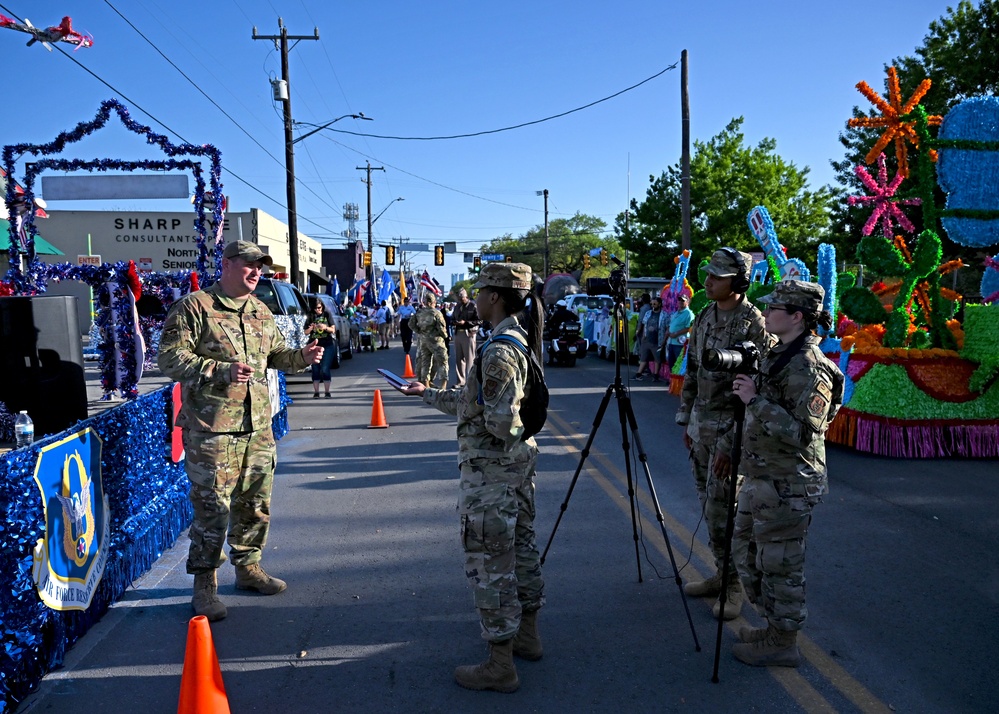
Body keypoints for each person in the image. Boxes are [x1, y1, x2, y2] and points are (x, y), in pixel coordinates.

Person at [158, 240, 324, 622]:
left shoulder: (260, 310)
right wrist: (219, 370)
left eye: (260, 268)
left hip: (258, 428)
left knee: (255, 504)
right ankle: (204, 584)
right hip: (213, 429)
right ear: (228, 264)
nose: (256, 273)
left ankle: (248, 568)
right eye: (249, 265)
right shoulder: (196, 307)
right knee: (213, 509)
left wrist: (303, 357)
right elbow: (169, 357)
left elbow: (278, 356)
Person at [402, 262, 546, 693]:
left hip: (493, 474)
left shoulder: (499, 350)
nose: (477, 296)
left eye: (482, 290)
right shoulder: (516, 339)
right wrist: (426, 394)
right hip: (515, 471)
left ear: (496, 297)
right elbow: (477, 402)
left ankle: (500, 664)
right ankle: (528, 636)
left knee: (491, 564)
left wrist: (477, 417)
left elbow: (503, 423)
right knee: (521, 549)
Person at [729, 280, 844, 667]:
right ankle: (774, 626)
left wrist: (754, 400)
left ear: (797, 317)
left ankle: (784, 641)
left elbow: (801, 433)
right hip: (762, 477)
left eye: (774, 308)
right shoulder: (778, 354)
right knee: (745, 551)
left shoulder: (810, 368)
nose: (766, 313)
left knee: (780, 564)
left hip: (788, 483)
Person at [675, 248, 770, 621]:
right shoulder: (704, 316)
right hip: (702, 428)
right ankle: (721, 572)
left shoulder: (753, 324)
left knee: (726, 512)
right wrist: (688, 420)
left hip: (732, 434)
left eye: (717, 276)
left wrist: (732, 445)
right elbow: (694, 371)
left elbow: (755, 390)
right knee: (709, 507)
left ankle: (734, 587)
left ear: (739, 282)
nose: (708, 281)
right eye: (708, 274)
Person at [409, 293, 449, 387]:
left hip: (423, 340)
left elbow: (411, 324)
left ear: (425, 302)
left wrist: (419, 331)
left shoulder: (419, 312)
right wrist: (445, 336)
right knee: (443, 361)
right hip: (435, 341)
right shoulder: (436, 313)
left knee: (425, 362)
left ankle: (426, 384)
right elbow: (442, 328)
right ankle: (443, 385)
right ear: (434, 302)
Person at [304, 300, 336, 398]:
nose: (318, 310)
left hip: (327, 344)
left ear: (322, 306)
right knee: (315, 368)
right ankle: (316, 392)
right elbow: (305, 332)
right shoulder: (310, 316)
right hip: (314, 345)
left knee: (325, 368)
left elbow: (333, 329)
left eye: (319, 308)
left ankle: (327, 391)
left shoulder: (327, 314)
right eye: (315, 308)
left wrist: (325, 327)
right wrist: (311, 328)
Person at [452, 287, 481, 388]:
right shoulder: (457, 306)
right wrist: (454, 322)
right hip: (458, 333)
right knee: (459, 359)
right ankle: (460, 381)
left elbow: (479, 320)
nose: (461, 300)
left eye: (462, 298)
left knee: (470, 359)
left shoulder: (473, 306)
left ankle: (471, 382)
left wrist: (466, 323)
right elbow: (452, 318)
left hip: (469, 334)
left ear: (466, 297)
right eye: (459, 299)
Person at [634, 296, 667, 381]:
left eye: (655, 304)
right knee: (643, 357)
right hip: (647, 339)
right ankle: (638, 374)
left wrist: (664, 340)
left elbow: (667, 328)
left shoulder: (664, 315)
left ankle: (655, 375)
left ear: (659, 304)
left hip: (658, 340)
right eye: (652, 304)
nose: (653, 305)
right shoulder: (648, 313)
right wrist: (643, 336)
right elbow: (644, 324)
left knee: (657, 359)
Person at [665, 293, 695, 369]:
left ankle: (680, 380)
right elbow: (671, 324)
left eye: (683, 301)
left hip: (680, 344)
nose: (680, 302)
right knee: (671, 363)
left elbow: (689, 328)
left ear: (687, 302)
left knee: (679, 364)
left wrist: (676, 333)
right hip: (671, 342)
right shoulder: (676, 313)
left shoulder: (689, 314)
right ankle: (672, 380)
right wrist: (668, 330)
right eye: (679, 300)